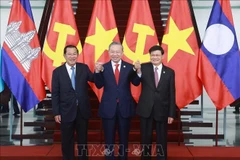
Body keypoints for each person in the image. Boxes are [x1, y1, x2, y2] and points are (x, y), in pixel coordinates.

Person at [94, 42, 141, 160]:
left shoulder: (130, 67)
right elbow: (99, 85)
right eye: (113, 52)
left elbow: (136, 82)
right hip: (108, 108)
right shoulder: (103, 67)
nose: (115, 54)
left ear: (122, 53)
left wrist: (138, 71)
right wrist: (97, 72)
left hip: (125, 107)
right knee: (108, 138)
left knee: (124, 138)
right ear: (109, 53)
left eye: (118, 52)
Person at [52, 45, 94, 160]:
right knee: (67, 141)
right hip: (65, 111)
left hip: (82, 111)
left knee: (83, 140)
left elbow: (94, 79)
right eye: (69, 54)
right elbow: (55, 94)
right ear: (64, 55)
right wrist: (56, 112)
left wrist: (99, 70)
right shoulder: (57, 72)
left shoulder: (84, 68)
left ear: (77, 55)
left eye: (74, 54)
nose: (72, 56)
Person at [136, 45, 176, 160]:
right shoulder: (143, 67)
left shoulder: (169, 72)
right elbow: (135, 82)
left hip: (162, 110)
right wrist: (137, 71)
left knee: (162, 140)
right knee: (145, 139)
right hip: (146, 109)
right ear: (150, 56)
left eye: (157, 55)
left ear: (162, 56)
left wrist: (171, 113)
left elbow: (172, 94)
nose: (155, 57)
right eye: (152, 55)